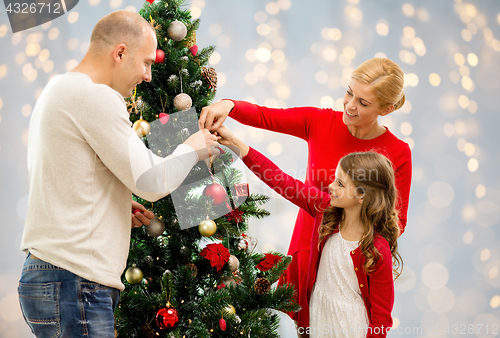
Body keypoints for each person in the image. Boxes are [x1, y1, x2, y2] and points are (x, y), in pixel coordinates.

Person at [18, 10, 218, 338]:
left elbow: (61, 173)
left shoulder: (59, 88)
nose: (150, 76)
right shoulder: (95, 96)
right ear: (120, 52)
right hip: (75, 282)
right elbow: (153, 182)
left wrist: (110, 203)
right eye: (146, 63)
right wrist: (193, 148)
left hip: (55, 276)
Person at [199, 58, 412, 334]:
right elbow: (272, 138)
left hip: (353, 261)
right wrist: (230, 107)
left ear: (387, 108)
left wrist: (351, 233)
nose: (349, 105)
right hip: (309, 250)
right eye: (349, 93)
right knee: (310, 322)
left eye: (363, 102)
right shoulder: (321, 126)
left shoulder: (397, 154)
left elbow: (398, 222)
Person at [214, 126, 402, 338]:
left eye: (340, 183)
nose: (330, 186)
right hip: (318, 321)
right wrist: (237, 145)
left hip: (351, 329)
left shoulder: (376, 249)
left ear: (362, 196)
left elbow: (381, 318)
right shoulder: (325, 209)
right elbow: (282, 181)